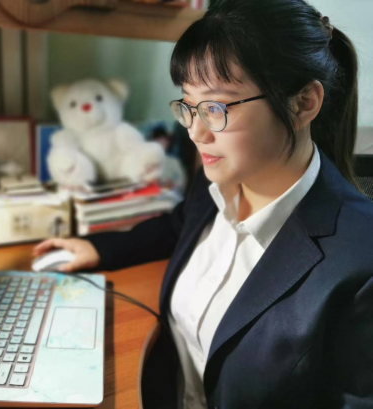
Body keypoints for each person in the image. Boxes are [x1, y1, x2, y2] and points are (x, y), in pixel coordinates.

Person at [34, 0, 373, 408]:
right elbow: (177, 225)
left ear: (303, 104)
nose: (196, 132)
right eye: (188, 106)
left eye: (215, 108)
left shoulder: (361, 264)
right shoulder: (220, 179)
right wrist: (98, 248)